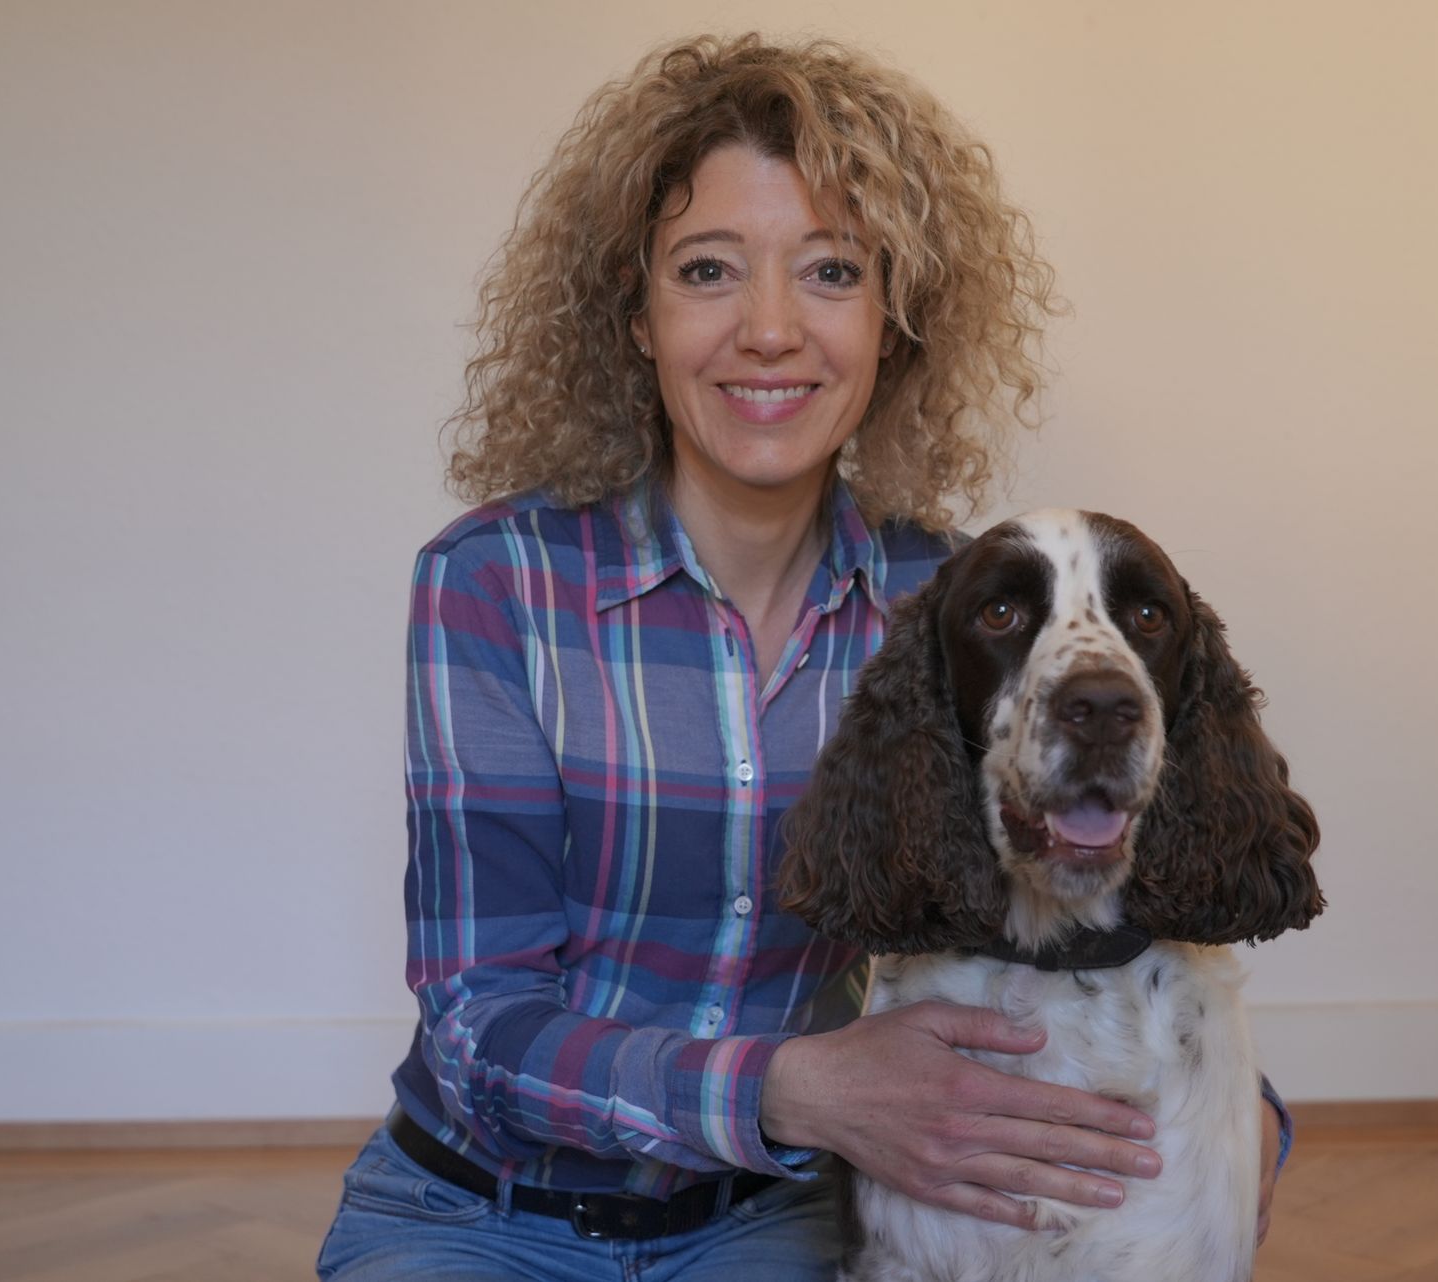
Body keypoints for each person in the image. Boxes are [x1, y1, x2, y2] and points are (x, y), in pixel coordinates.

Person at [316, 33, 1289, 1281]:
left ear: (895, 320)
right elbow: (477, 1028)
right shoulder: (497, 583)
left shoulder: (963, 609)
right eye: (707, 270)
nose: (770, 329)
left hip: (768, 1219)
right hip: (478, 1213)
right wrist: (791, 1087)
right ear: (636, 314)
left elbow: (1101, 919)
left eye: (831, 271)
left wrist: (1225, 1116)